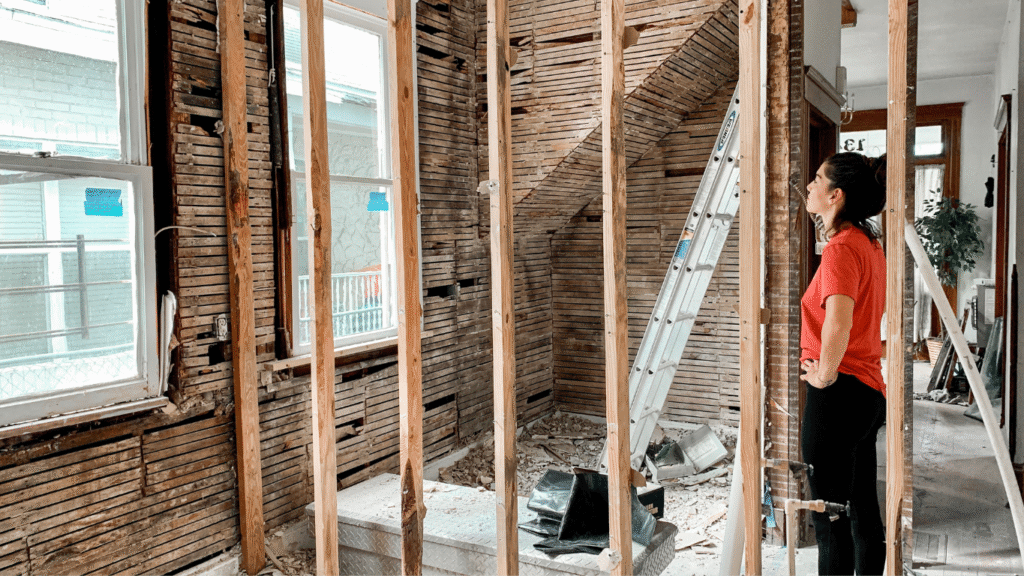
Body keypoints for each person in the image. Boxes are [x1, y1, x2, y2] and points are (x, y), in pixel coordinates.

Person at [800, 152, 888, 575]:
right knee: (862, 512)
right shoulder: (869, 245)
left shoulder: (840, 250)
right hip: (868, 394)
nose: (810, 185)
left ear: (836, 195)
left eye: (818, 179)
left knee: (829, 519)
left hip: (838, 396)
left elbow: (839, 319)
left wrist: (824, 374)